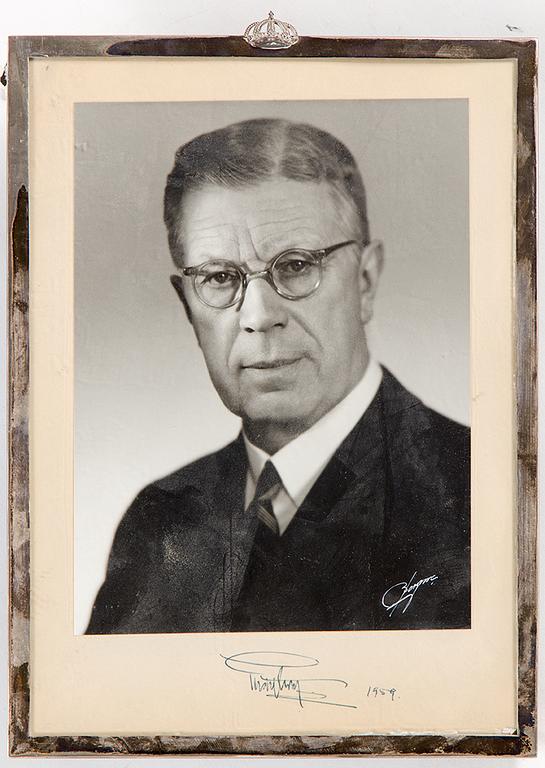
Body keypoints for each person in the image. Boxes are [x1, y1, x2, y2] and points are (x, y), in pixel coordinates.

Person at [86, 118, 470, 635]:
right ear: (187, 307)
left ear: (366, 281)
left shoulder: (478, 497)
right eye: (220, 278)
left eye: (295, 266)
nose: (258, 315)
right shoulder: (158, 522)